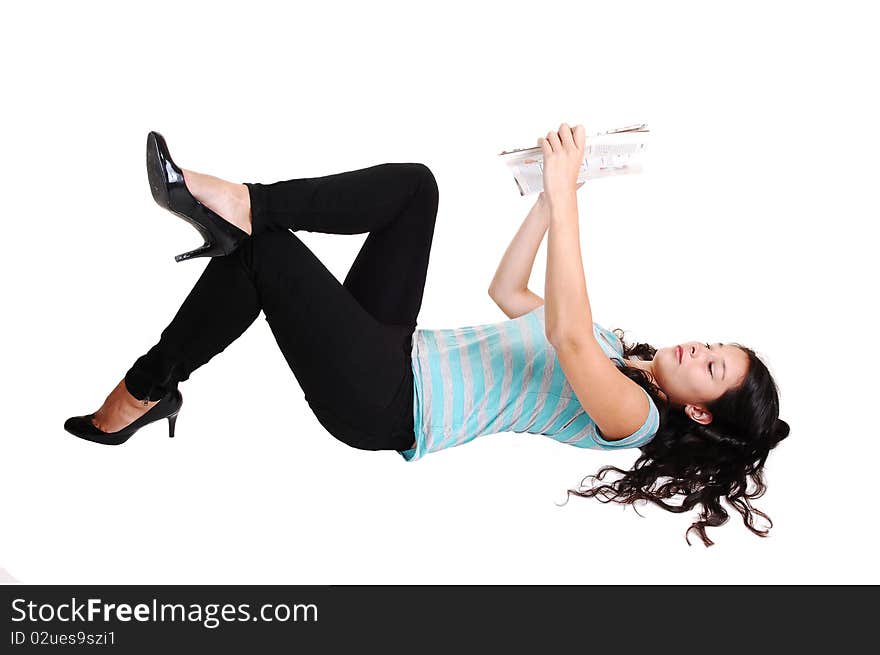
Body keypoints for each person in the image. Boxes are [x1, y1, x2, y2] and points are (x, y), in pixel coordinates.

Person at [64, 124, 789, 546]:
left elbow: (565, 335)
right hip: (397, 347)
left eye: (714, 366)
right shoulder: (618, 347)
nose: (699, 348)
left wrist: (568, 202)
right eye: (714, 344)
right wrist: (550, 196)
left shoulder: (634, 419)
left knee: (262, 247)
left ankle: (154, 364)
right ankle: (155, 385)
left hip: (386, 402)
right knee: (415, 187)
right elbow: (508, 292)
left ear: (699, 409)